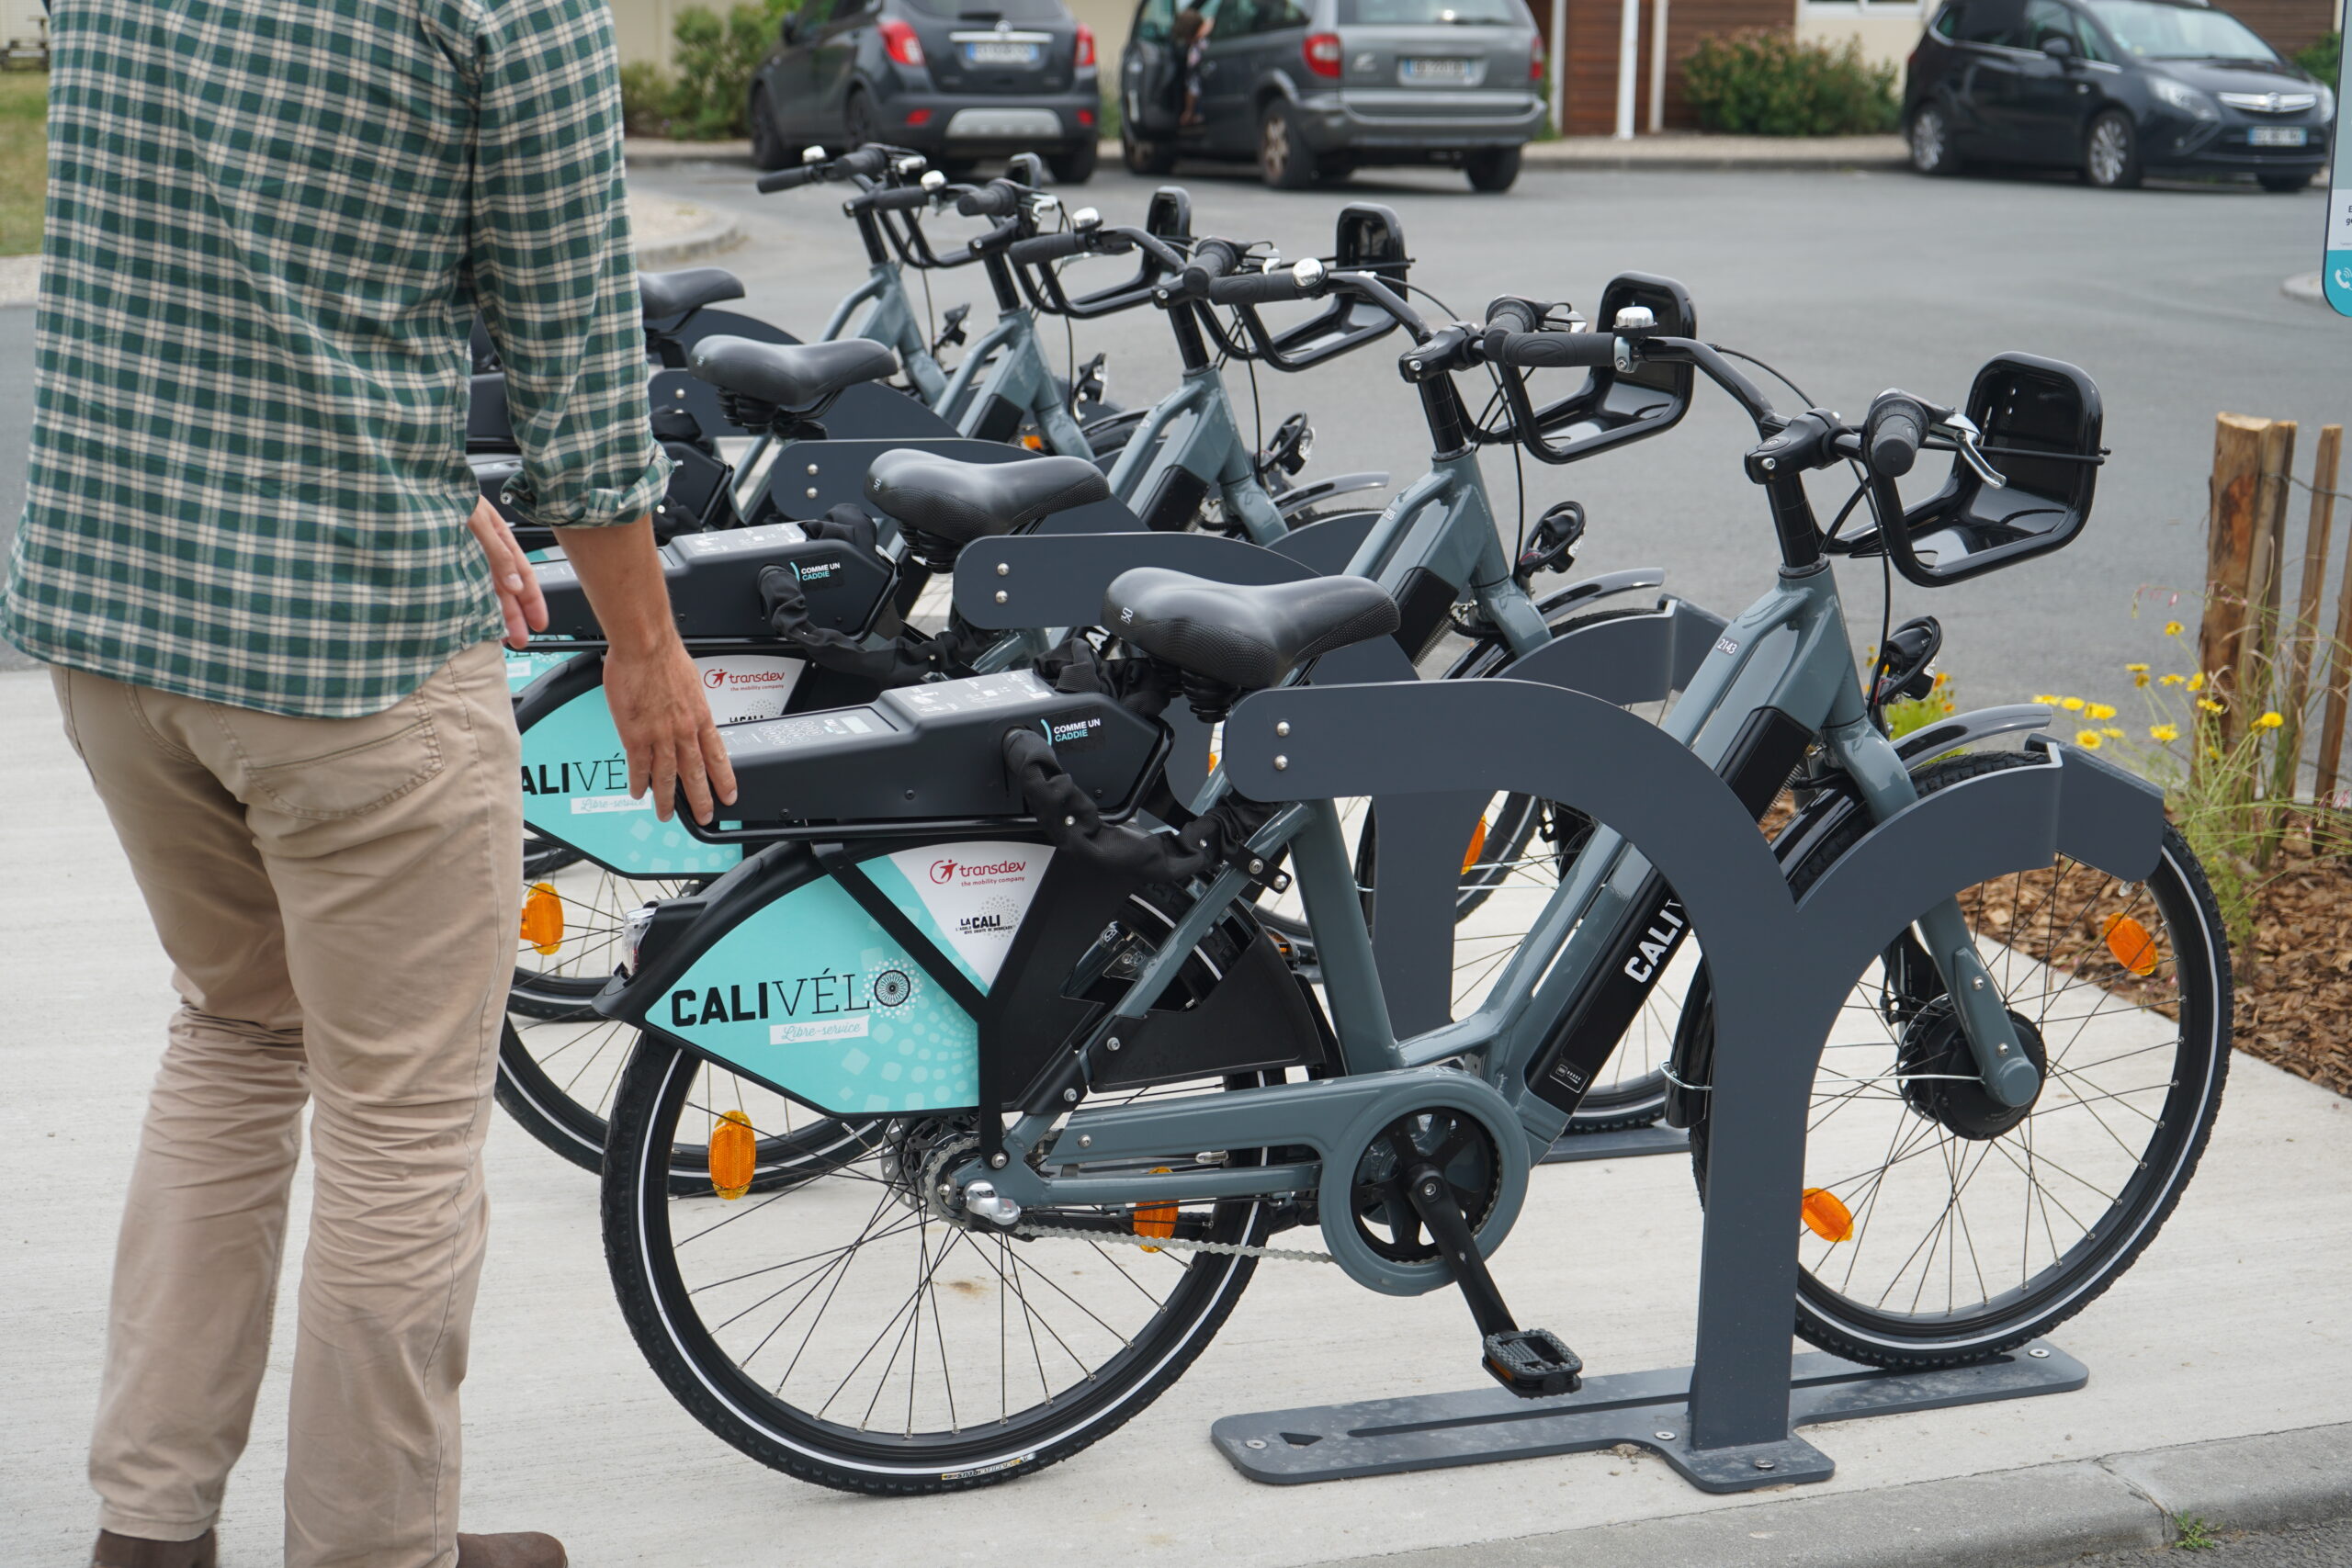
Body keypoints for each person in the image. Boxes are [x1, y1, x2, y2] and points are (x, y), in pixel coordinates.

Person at [1, 2, 736, 1565]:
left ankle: (148, 1529)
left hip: (114, 623)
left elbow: (207, 251)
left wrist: (417, 468)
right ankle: (375, 1549)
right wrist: (648, 647)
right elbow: (579, 361)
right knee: (400, 1124)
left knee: (236, 1034)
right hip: (343, 650)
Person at [1175, 6, 1213, 126]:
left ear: (1187, 36)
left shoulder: (1195, 51)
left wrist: (1188, 112)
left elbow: (1193, 86)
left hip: (1208, 100)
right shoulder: (1216, 30)